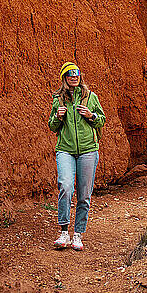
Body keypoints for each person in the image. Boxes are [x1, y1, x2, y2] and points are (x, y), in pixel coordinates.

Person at [48, 62, 106, 251]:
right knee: (65, 186)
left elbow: (102, 120)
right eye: (70, 74)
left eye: (77, 74)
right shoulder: (58, 99)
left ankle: (78, 234)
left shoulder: (91, 97)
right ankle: (64, 231)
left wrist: (91, 115)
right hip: (65, 149)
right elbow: (52, 126)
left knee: (84, 195)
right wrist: (58, 116)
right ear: (64, 78)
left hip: (88, 150)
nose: (74, 77)